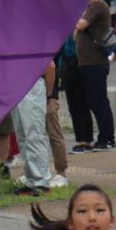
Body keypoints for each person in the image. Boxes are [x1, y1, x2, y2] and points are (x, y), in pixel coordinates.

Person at [75, 0, 116, 151]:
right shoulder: (91, 6)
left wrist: (72, 15)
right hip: (89, 63)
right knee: (95, 101)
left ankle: (107, 138)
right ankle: (104, 137)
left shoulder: (97, 5)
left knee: (99, 102)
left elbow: (81, 24)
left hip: (95, 62)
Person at [12, 69, 53, 196]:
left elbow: (50, 66)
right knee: (22, 137)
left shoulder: (34, 48)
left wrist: (50, 95)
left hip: (33, 85)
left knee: (34, 134)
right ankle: (32, 180)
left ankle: (41, 181)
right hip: (16, 85)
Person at [60, 34, 94, 155]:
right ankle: (80, 140)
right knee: (73, 106)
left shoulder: (80, 23)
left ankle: (87, 140)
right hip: (67, 64)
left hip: (80, 62)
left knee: (83, 104)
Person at [45, 58, 70, 188]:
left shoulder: (43, 44)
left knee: (54, 133)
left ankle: (61, 173)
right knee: (34, 135)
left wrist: (50, 95)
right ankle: (37, 172)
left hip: (48, 95)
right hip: (40, 94)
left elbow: (51, 66)